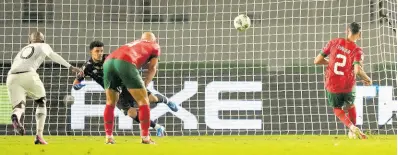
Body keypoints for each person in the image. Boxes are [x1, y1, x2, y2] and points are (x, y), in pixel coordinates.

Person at [72, 41, 178, 137]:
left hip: (127, 84)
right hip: (115, 91)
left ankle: (167, 101)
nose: (99, 53)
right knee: (131, 113)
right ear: (91, 52)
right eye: (97, 51)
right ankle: (157, 127)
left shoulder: (109, 58)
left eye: (101, 51)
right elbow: (76, 83)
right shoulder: (87, 67)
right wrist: (77, 86)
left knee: (152, 99)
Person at [7, 32, 81, 144]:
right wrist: (70, 67)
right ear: (42, 40)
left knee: (19, 106)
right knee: (41, 101)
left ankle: (15, 116)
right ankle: (39, 135)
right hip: (28, 74)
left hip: (11, 77)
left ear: (29, 41)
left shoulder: (23, 49)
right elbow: (53, 55)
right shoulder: (43, 45)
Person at [314, 22, 371, 139]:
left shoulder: (334, 42)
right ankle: (353, 129)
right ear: (360, 35)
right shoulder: (357, 51)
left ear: (347, 31)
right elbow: (357, 70)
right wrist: (367, 79)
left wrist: (330, 62)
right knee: (350, 105)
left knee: (337, 108)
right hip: (348, 85)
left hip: (332, 84)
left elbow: (317, 61)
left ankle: (351, 127)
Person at [102, 32, 162, 144]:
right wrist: (145, 83)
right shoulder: (155, 46)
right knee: (143, 100)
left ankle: (109, 137)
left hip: (108, 62)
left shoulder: (134, 43)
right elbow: (152, 68)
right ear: (154, 40)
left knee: (110, 102)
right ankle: (145, 138)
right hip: (126, 62)